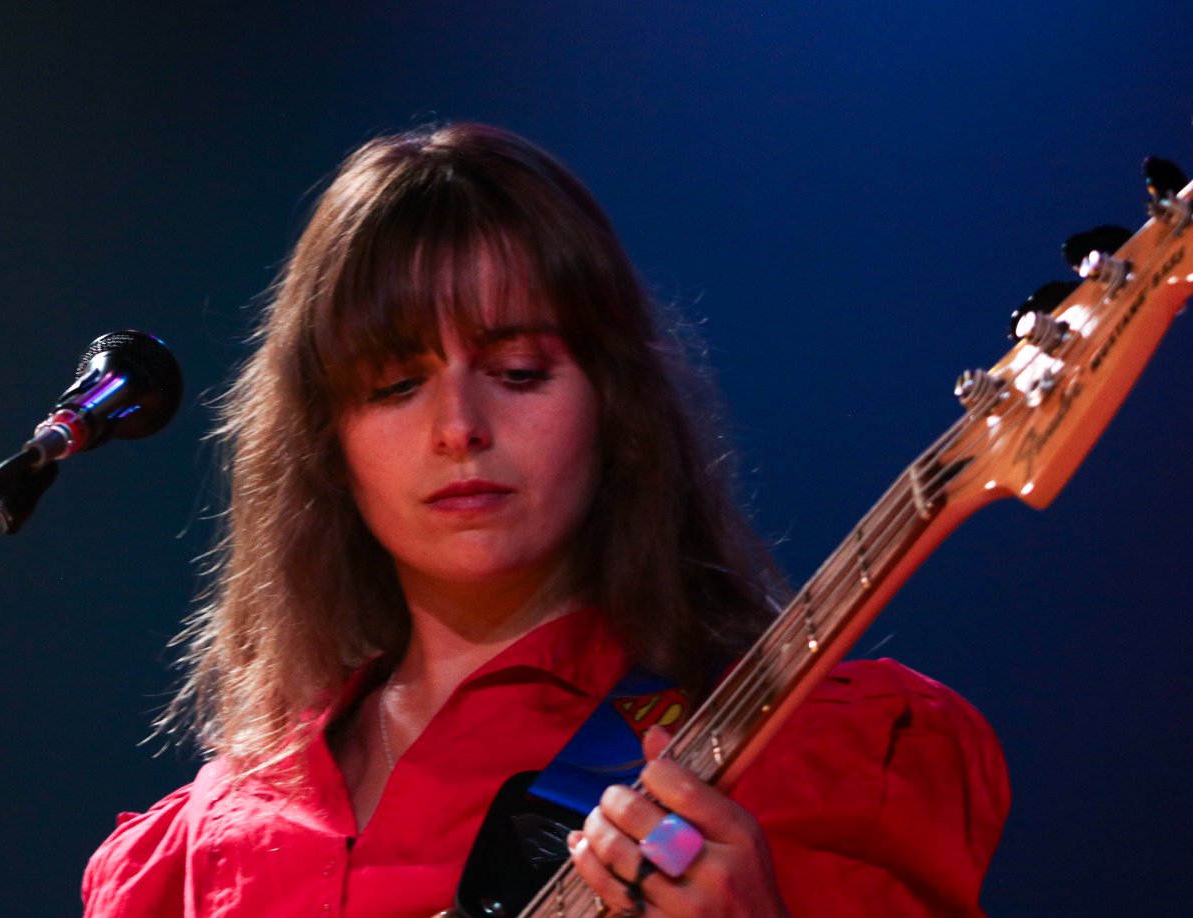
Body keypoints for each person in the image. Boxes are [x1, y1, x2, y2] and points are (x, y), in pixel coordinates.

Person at [82, 123, 1009, 916]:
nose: (459, 428)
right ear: (327, 444)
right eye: (396, 386)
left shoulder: (787, 749)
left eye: (519, 372)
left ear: (615, 403)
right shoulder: (198, 847)